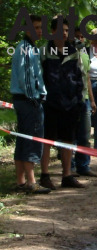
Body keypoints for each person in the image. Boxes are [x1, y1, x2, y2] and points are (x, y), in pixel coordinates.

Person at [39, 17, 85, 190]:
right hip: (50, 103)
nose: (65, 33)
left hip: (71, 104)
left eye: (67, 30)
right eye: (61, 30)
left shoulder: (74, 52)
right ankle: (45, 176)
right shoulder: (44, 51)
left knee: (68, 140)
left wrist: (79, 100)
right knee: (47, 140)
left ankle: (67, 176)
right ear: (52, 32)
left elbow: (80, 76)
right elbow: (38, 76)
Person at [9, 14, 49, 193]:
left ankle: (21, 182)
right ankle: (31, 182)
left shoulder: (31, 47)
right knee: (31, 140)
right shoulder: (25, 48)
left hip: (25, 100)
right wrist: (34, 99)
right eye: (36, 27)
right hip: (28, 101)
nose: (40, 31)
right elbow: (26, 78)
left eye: (41, 27)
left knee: (23, 139)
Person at [70, 26, 97, 177]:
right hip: (70, 99)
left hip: (84, 99)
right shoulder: (65, 52)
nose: (80, 39)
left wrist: (92, 100)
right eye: (77, 36)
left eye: (82, 37)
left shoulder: (85, 53)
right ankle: (70, 167)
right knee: (70, 135)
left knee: (85, 135)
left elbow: (87, 77)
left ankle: (84, 166)